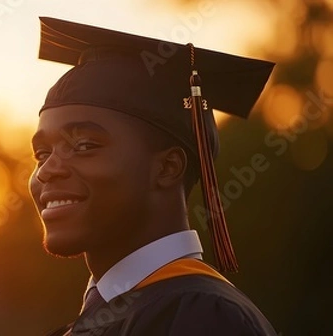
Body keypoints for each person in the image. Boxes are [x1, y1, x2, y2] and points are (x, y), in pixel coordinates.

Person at [28, 17, 278, 335]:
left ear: (167, 168)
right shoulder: (97, 322)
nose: (47, 170)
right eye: (41, 154)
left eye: (84, 145)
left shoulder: (201, 317)